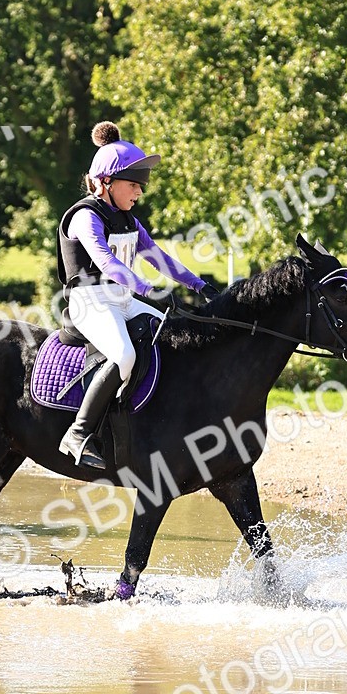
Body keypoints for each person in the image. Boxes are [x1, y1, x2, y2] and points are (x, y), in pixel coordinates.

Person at [55, 121, 220, 469]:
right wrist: (150, 290)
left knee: (177, 336)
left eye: (140, 187)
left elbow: (159, 258)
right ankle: (78, 432)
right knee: (125, 356)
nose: (139, 193)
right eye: (133, 185)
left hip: (122, 300)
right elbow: (106, 261)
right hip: (89, 302)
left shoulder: (129, 219)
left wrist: (198, 285)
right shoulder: (86, 217)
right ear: (106, 183)